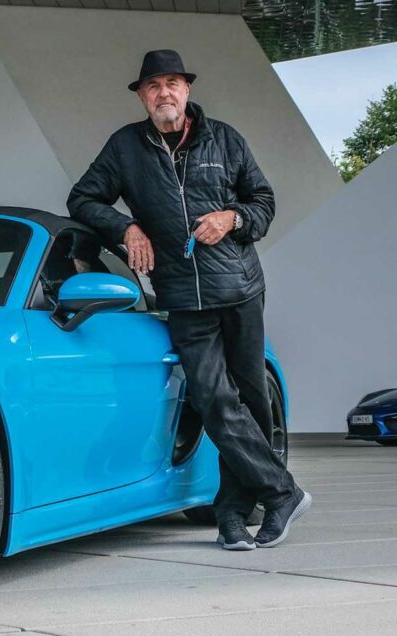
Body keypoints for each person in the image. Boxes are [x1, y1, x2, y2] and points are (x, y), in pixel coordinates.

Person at [67, 49, 311, 551]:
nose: (164, 93)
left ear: (187, 90)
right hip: (182, 295)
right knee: (213, 398)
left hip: (240, 288)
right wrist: (126, 226)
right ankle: (282, 492)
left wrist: (232, 219)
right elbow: (82, 198)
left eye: (172, 83)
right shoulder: (125, 147)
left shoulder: (224, 139)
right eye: (153, 86)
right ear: (142, 96)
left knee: (251, 401)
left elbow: (263, 202)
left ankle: (232, 515)